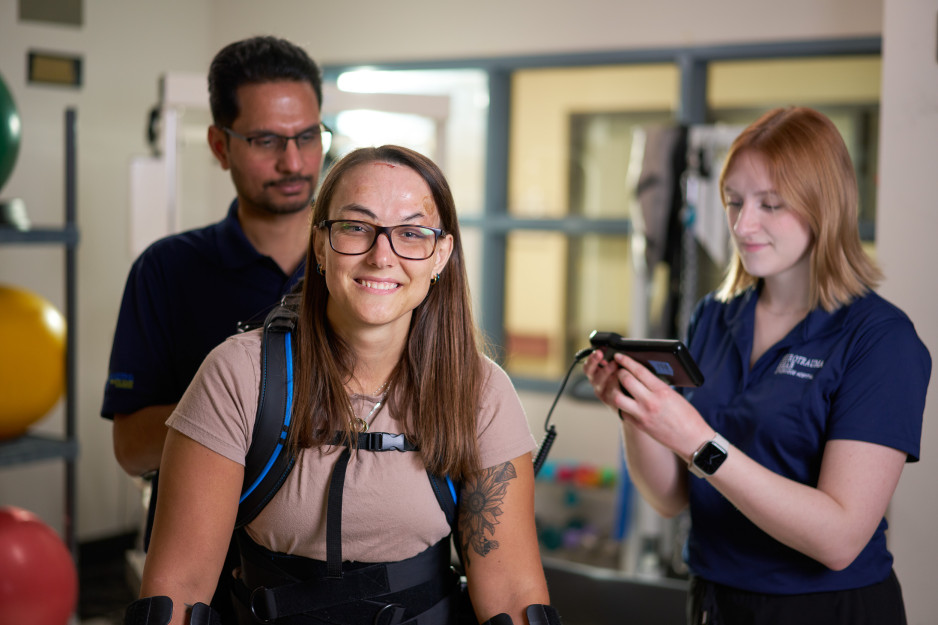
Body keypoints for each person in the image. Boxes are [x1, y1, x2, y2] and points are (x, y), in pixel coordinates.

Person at [122, 145, 559, 625]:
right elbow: (177, 592)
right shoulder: (239, 375)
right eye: (356, 227)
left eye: (411, 234)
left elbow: (514, 594)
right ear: (320, 244)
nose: (381, 256)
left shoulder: (480, 393)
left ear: (441, 255)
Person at [584, 107, 930, 625]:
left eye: (770, 205)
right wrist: (638, 412)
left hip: (826, 610)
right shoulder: (714, 318)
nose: (744, 226)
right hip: (715, 601)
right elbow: (669, 497)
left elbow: (838, 539)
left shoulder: (880, 340)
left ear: (824, 207)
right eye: (734, 203)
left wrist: (701, 442)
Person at [102, 35, 327, 620]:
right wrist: (245, 413)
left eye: (308, 136)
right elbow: (129, 447)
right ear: (219, 145)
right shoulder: (168, 271)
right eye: (266, 141)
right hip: (202, 577)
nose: (295, 161)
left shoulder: (364, 269)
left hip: (338, 573)